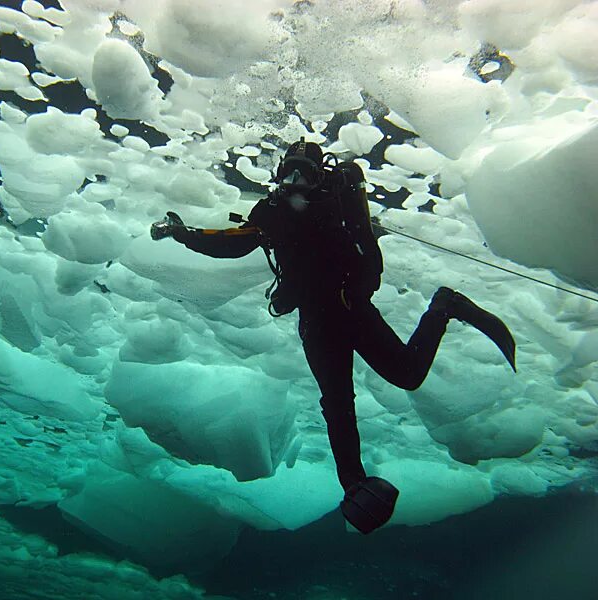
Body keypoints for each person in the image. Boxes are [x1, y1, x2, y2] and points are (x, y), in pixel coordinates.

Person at [150, 139, 516, 534]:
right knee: (337, 403)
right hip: (316, 323)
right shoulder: (271, 210)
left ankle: (445, 306)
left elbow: (353, 241)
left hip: (350, 311)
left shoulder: (334, 203)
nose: (294, 181)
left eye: (302, 173)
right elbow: (232, 245)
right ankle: (354, 484)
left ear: (319, 174)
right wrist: (183, 233)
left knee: (407, 376)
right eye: (288, 171)